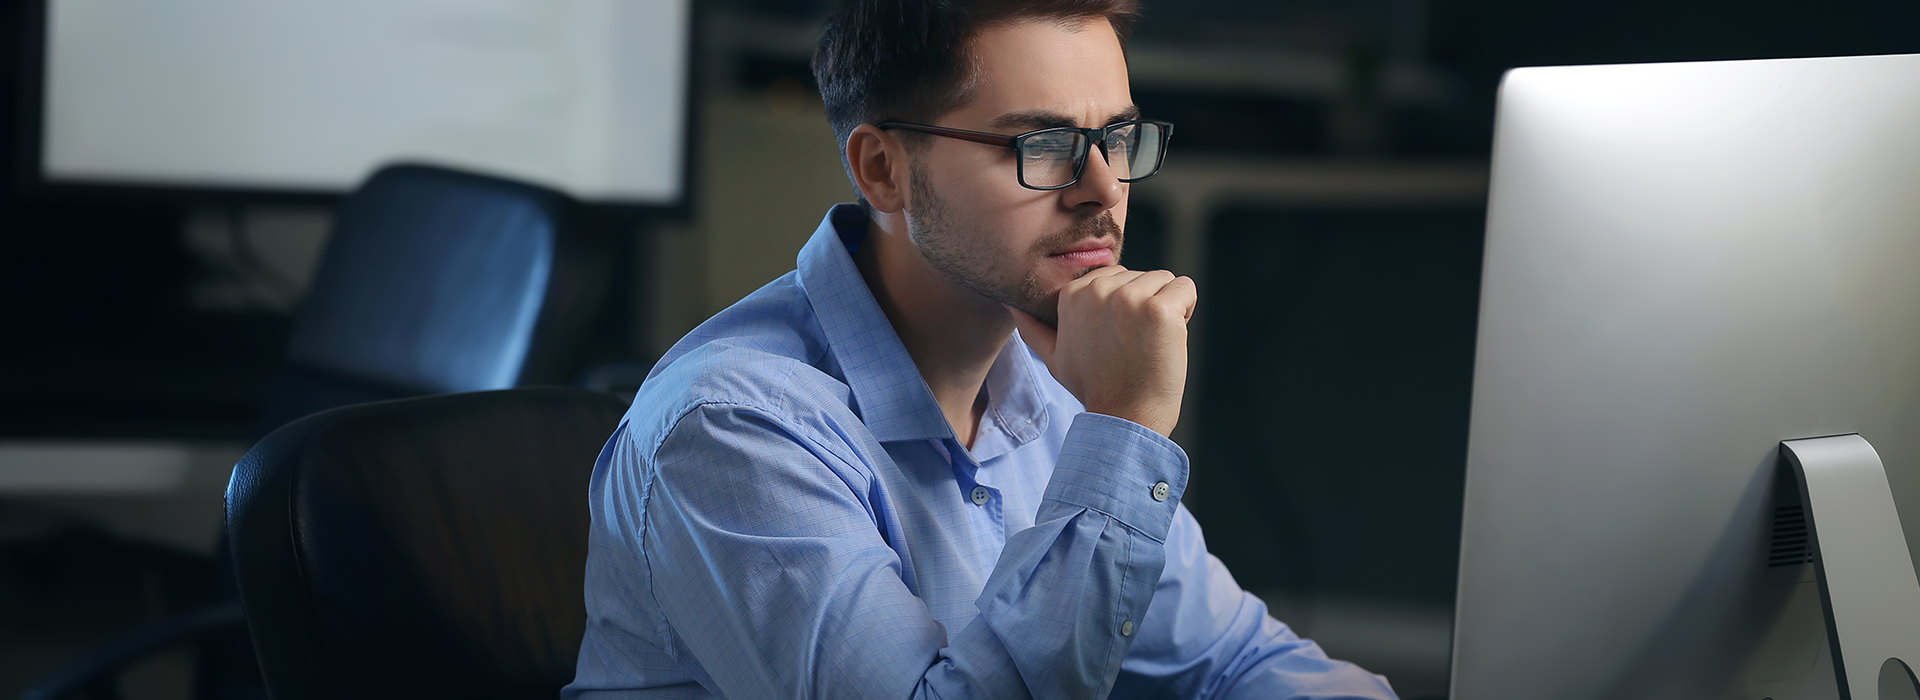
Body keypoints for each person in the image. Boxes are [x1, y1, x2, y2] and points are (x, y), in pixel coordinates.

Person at [565, 0, 1398, 697]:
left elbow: (1237, 662)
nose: (1106, 190)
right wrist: (1125, 432)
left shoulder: (1059, 374)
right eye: (1041, 148)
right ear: (883, 171)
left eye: (1118, 138)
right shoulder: (732, 427)